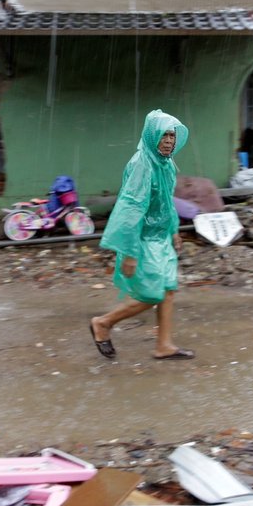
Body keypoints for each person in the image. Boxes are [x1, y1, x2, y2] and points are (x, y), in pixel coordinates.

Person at [89, 109, 195, 361]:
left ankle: (164, 345)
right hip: (141, 240)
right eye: (163, 135)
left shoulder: (166, 164)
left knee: (168, 289)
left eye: (172, 135)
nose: (169, 140)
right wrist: (128, 252)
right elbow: (131, 209)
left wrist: (174, 230)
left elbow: (167, 202)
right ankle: (103, 323)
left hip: (161, 238)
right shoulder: (141, 165)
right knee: (151, 294)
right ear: (151, 136)